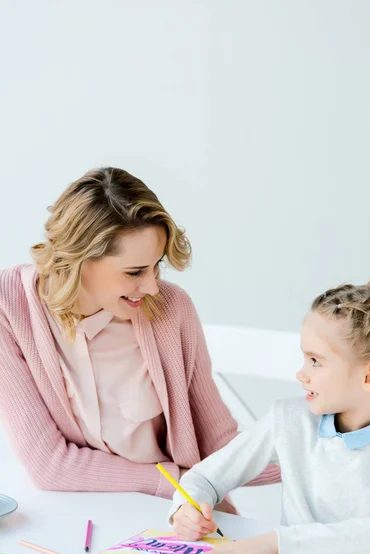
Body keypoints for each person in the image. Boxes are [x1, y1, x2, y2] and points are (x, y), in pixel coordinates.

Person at [0, 166, 280, 502]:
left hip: (177, 516)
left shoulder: (171, 309)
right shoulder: (10, 307)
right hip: (73, 516)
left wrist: (323, 452)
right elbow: (50, 465)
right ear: (78, 259)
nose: (151, 286)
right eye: (134, 272)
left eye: (156, 265)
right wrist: (178, 480)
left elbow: (220, 447)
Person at [170, 272, 370, 554]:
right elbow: (204, 477)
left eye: (315, 361)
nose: (301, 373)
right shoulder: (288, 421)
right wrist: (186, 508)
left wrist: (279, 544)